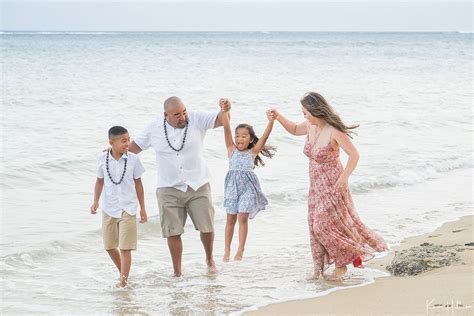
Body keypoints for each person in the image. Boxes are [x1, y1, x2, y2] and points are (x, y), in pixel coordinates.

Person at [268, 92, 387, 281]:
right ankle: (319, 271)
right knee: (315, 227)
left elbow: (354, 155)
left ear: (316, 111)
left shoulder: (334, 131)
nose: (304, 116)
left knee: (322, 227)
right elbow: (293, 129)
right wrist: (277, 116)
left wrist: (345, 177)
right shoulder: (310, 126)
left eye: (306, 113)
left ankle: (343, 264)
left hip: (333, 185)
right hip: (315, 187)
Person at [128, 96, 230, 277]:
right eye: (177, 115)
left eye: (184, 112)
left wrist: (225, 110)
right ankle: (177, 273)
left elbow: (221, 120)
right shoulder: (154, 127)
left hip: (198, 183)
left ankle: (209, 259)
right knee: (172, 232)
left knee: (207, 227)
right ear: (165, 115)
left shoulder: (196, 118)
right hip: (168, 187)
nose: (182, 117)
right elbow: (135, 147)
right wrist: (115, 152)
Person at [90, 126, 148, 287]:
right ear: (111, 142)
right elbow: (99, 181)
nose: (127, 143)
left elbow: (139, 184)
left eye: (128, 139)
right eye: (123, 141)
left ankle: (123, 282)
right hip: (109, 208)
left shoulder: (134, 160)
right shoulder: (101, 158)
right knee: (109, 246)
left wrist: (143, 208)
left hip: (128, 208)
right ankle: (123, 272)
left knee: (125, 248)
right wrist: (95, 202)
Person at [221, 107, 276, 262]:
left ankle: (240, 249)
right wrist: (224, 111)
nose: (240, 139)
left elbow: (264, 138)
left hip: (247, 189)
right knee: (230, 219)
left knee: (242, 218)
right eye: (237, 136)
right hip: (232, 188)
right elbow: (226, 127)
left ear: (251, 139)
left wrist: (271, 121)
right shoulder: (231, 149)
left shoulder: (252, 153)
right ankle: (227, 250)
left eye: (244, 136)